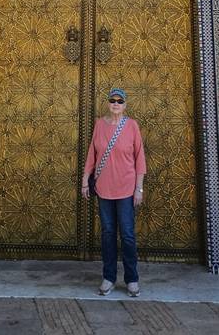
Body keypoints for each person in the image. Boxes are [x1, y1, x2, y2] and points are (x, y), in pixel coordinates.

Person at [82, 86, 146, 297]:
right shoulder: (100, 125)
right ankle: (109, 277)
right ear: (108, 103)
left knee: (127, 235)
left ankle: (132, 279)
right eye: (113, 100)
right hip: (104, 189)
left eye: (120, 101)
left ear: (125, 105)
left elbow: (140, 159)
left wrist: (139, 188)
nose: (116, 104)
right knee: (108, 234)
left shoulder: (132, 126)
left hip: (126, 189)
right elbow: (92, 153)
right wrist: (85, 180)